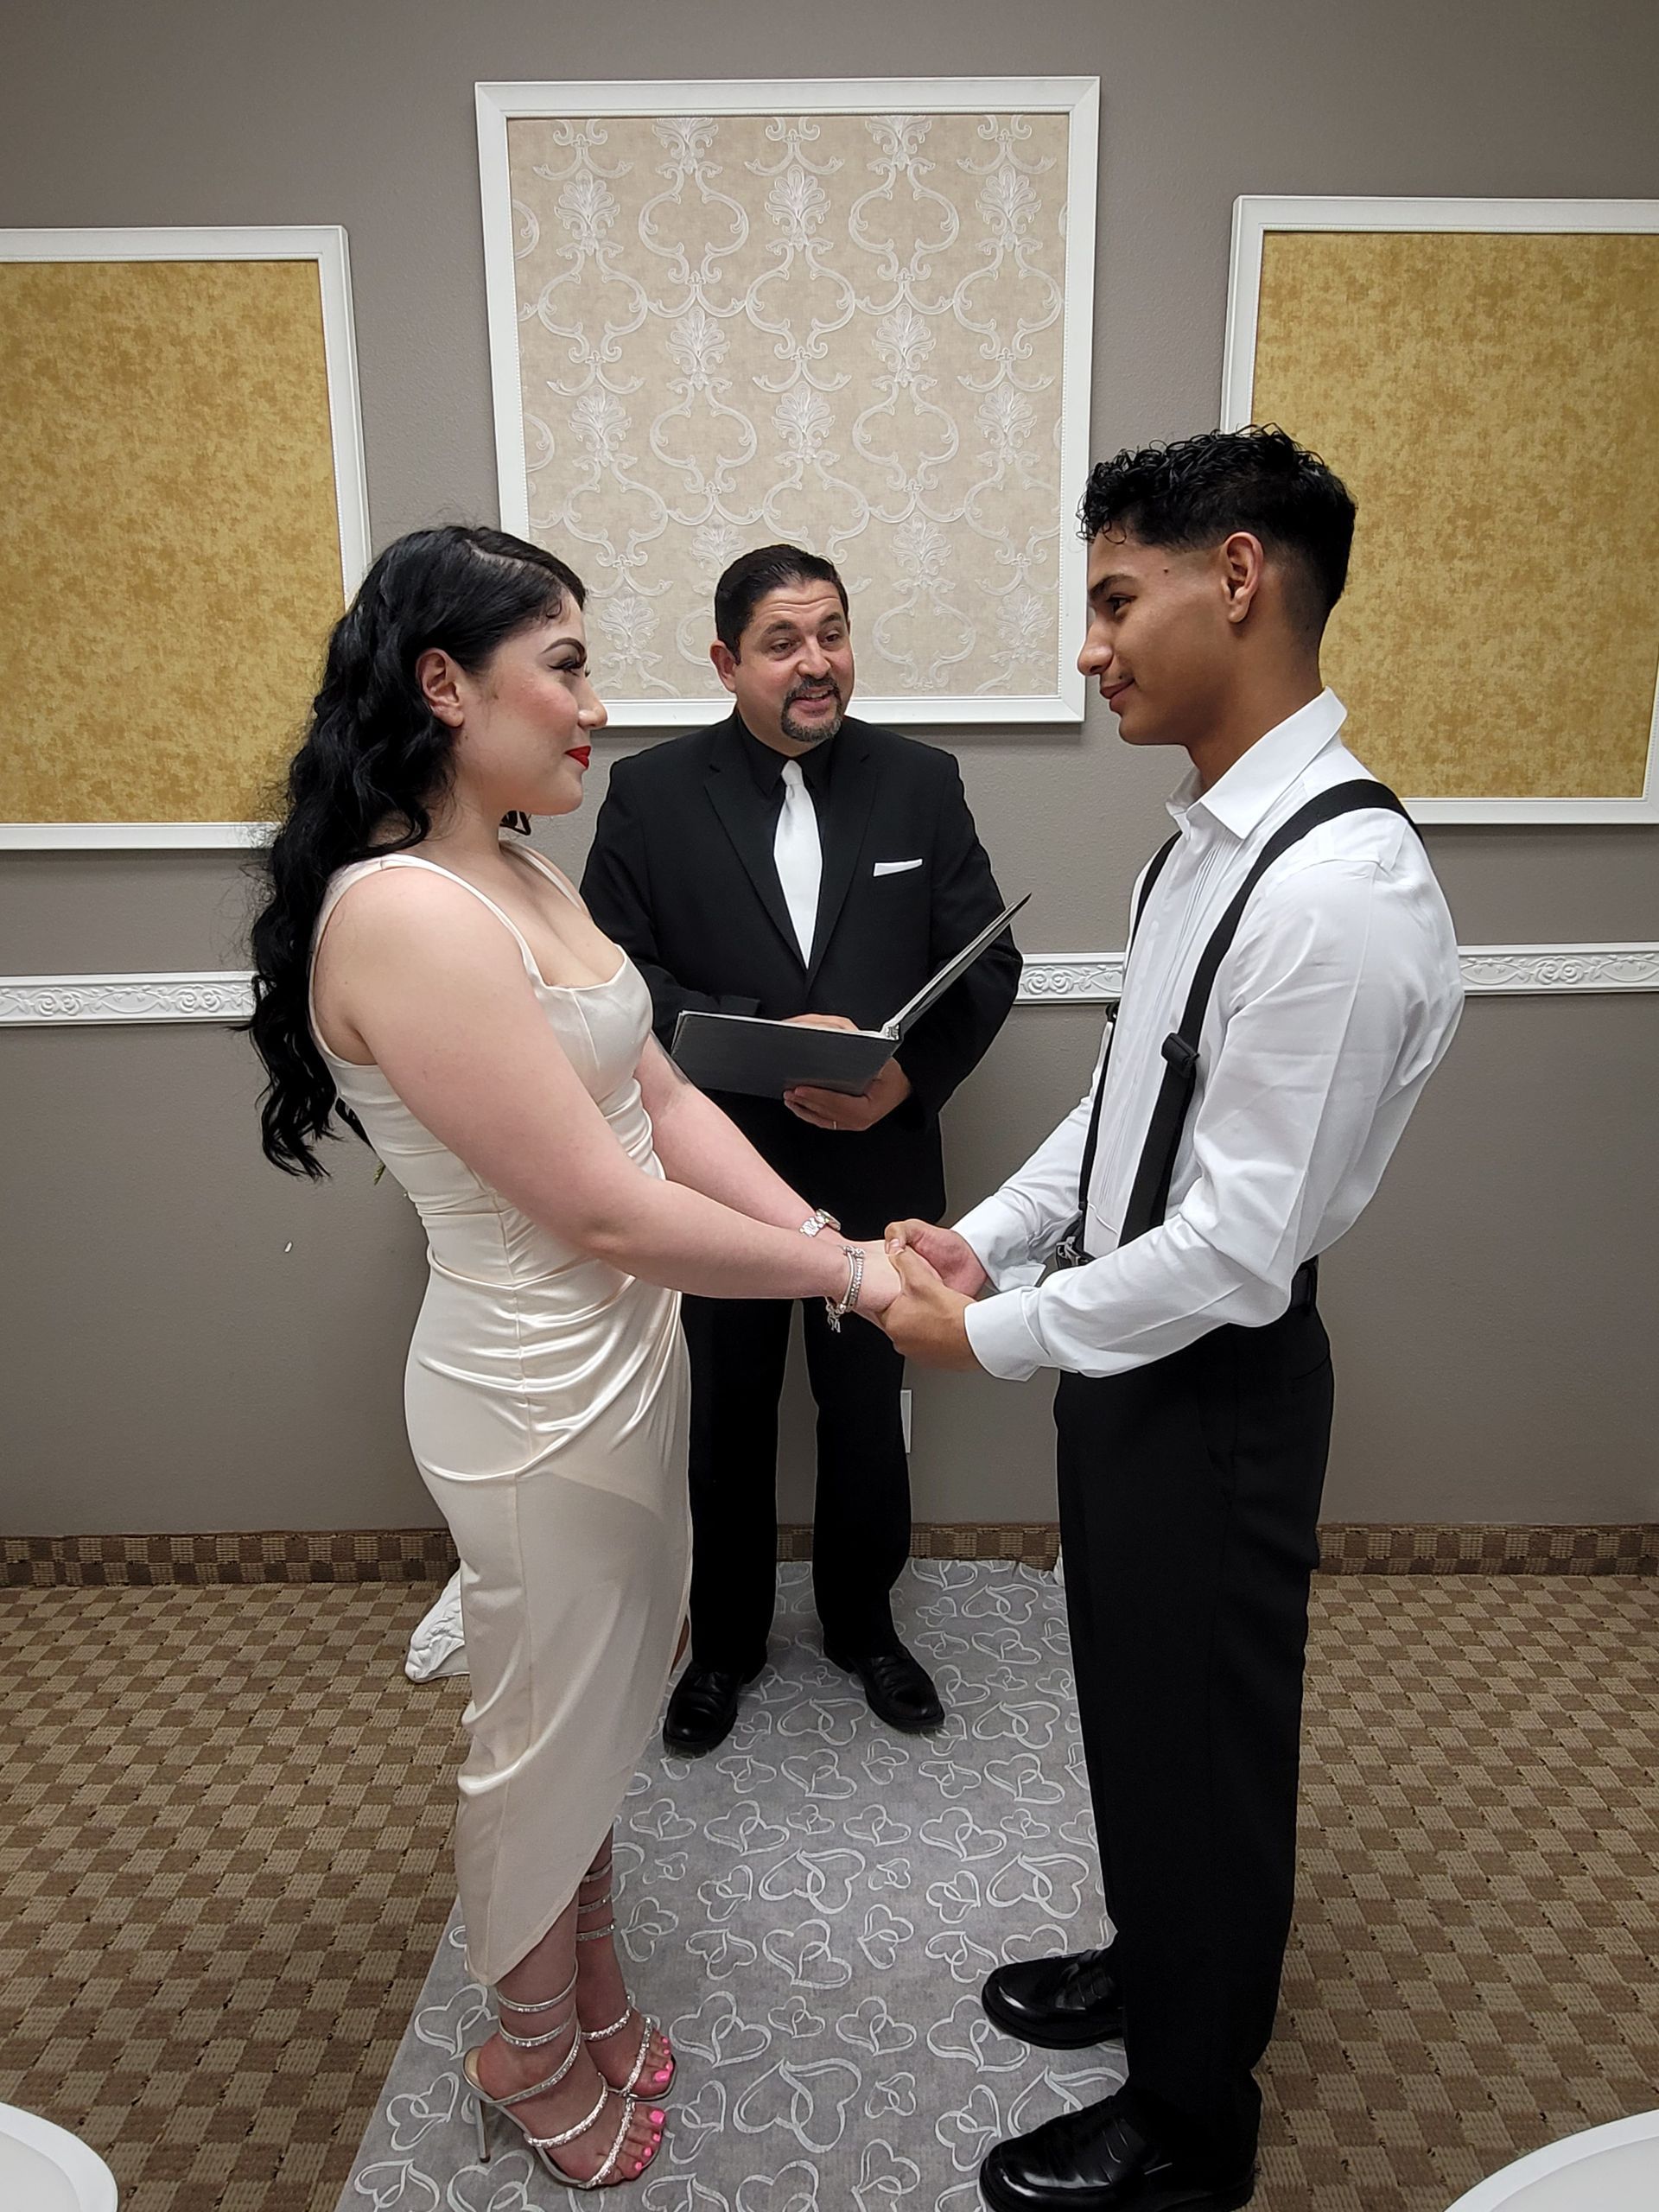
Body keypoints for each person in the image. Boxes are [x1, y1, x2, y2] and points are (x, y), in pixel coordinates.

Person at [245, 526, 900, 2190]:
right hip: (533, 1391)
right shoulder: (404, 914)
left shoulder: (522, 869)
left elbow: (659, 1097)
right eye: (568, 667)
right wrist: (848, 1274)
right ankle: (524, 2049)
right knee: (542, 1738)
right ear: (445, 685)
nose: (598, 705)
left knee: (602, 1717)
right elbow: (603, 1208)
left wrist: (828, 1231)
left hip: (626, 1360)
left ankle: (589, 1993)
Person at [880, 430, 1464, 2212]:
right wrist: (991, 1238)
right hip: (1130, 1358)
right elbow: (1134, 1093)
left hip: (1218, 1381)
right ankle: (1160, 1965)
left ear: (1240, 577)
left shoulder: (1336, 894)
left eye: (1115, 599)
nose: (1091, 649)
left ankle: (1194, 2124)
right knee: (1137, 1714)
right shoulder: (1203, 849)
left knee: (1206, 1749)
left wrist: (987, 1337)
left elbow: (1231, 1250)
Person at [581, 543, 1019, 1756]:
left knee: (868, 1411)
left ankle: (864, 1626)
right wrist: (769, 1038)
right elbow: (615, 977)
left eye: (832, 634)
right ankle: (721, 1646)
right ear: (728, 663)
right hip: (713, 1171)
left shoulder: (921, 782)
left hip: (879, 1172)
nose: (815, 662)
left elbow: (989, 960)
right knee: (724, 1414)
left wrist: (902, 1083)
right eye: (783, 642)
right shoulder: (651, 794)